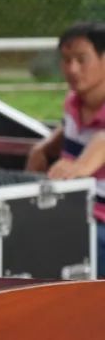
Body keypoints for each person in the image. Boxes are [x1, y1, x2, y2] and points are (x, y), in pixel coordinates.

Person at [27, 21, 105, 278]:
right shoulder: (73, 102)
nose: (72, 69)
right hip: (71, 211)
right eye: (66, 60)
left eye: (82, 60)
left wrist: (78, 168)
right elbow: (69, 130)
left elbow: (101, 140)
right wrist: (44, 148)